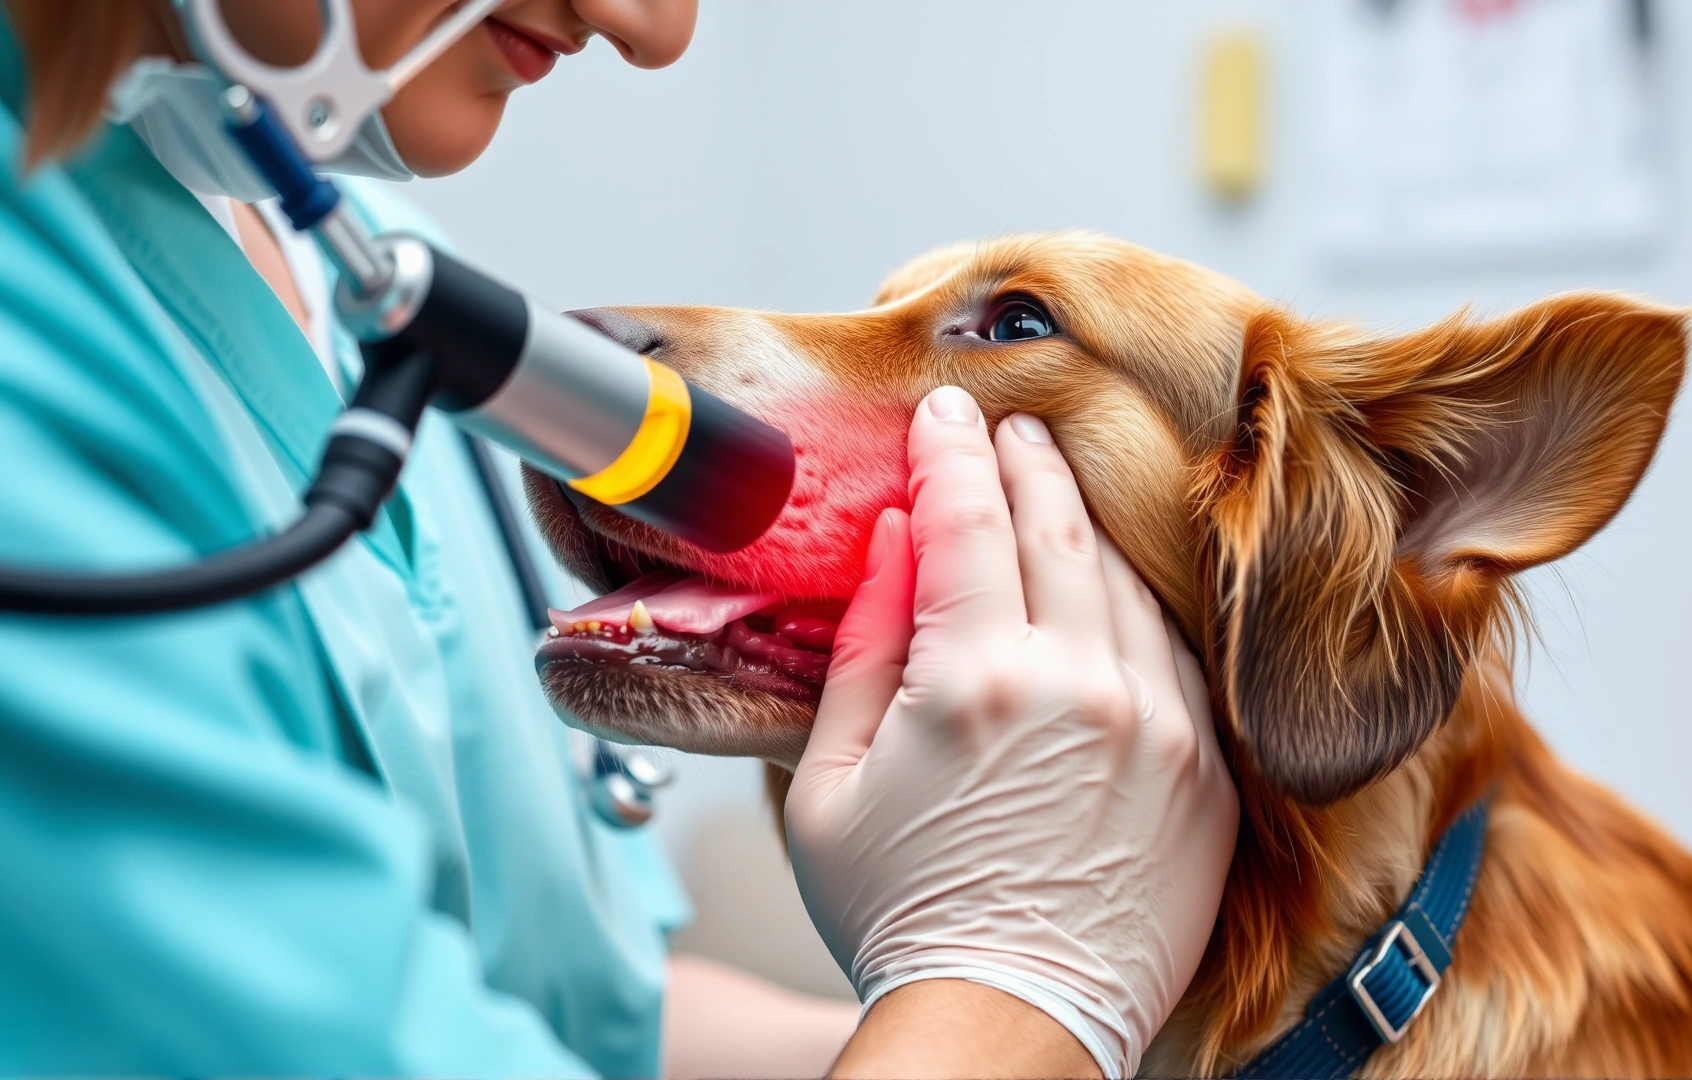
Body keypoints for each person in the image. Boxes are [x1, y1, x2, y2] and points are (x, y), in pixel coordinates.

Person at [0, 2, 1239, 1077]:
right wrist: (1013, 997)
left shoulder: (365, 259)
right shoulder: (38, 358)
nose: (655, 28)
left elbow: (567, 1020)